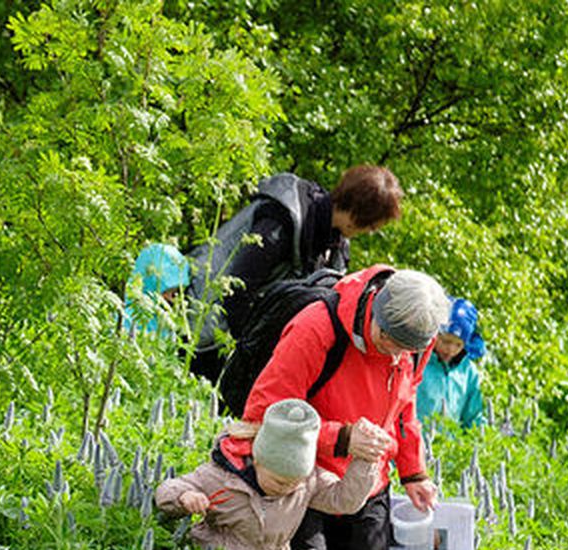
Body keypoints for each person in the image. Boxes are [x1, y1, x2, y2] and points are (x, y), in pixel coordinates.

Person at [232, 266, 448, 550]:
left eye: (408, 352)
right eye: (391, 345)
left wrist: (414, 471)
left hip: (368, 485)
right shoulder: (317, 327)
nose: (396, 359)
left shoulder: (414, 345)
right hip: (304, 485)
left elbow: (404, 408)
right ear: (378, 315)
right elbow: (264, 414)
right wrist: (341, 437)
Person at [155, 399, 382, 550]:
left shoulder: (306, 482)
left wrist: (366, 460)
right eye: (279, 482)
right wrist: (186, 497)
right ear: (258, 460)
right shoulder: (219, 477)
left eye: (294, 483)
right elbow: (167, 490)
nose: (287, 489)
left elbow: (344, 500)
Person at [191, 164, 403, 383]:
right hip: (207, 329)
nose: (367, 233)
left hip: (243, 346)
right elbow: (238, 287)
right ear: (357, 215)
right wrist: (250, 351)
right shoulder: (284, 219)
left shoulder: (335, 248)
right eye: (370, 226)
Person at [416, 297, 488, 430]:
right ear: (434, 334)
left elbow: (473, 417)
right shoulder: (418, 361)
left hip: (448, 446)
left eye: (458, 345)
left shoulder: (468, 372)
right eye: (446, 341)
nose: (451, 349)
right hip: (415, 441)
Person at [122, 242, 192, 337]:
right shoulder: (126, 320)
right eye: (168, 290)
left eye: (177, 291)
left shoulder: (167, 322)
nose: (173, 297)